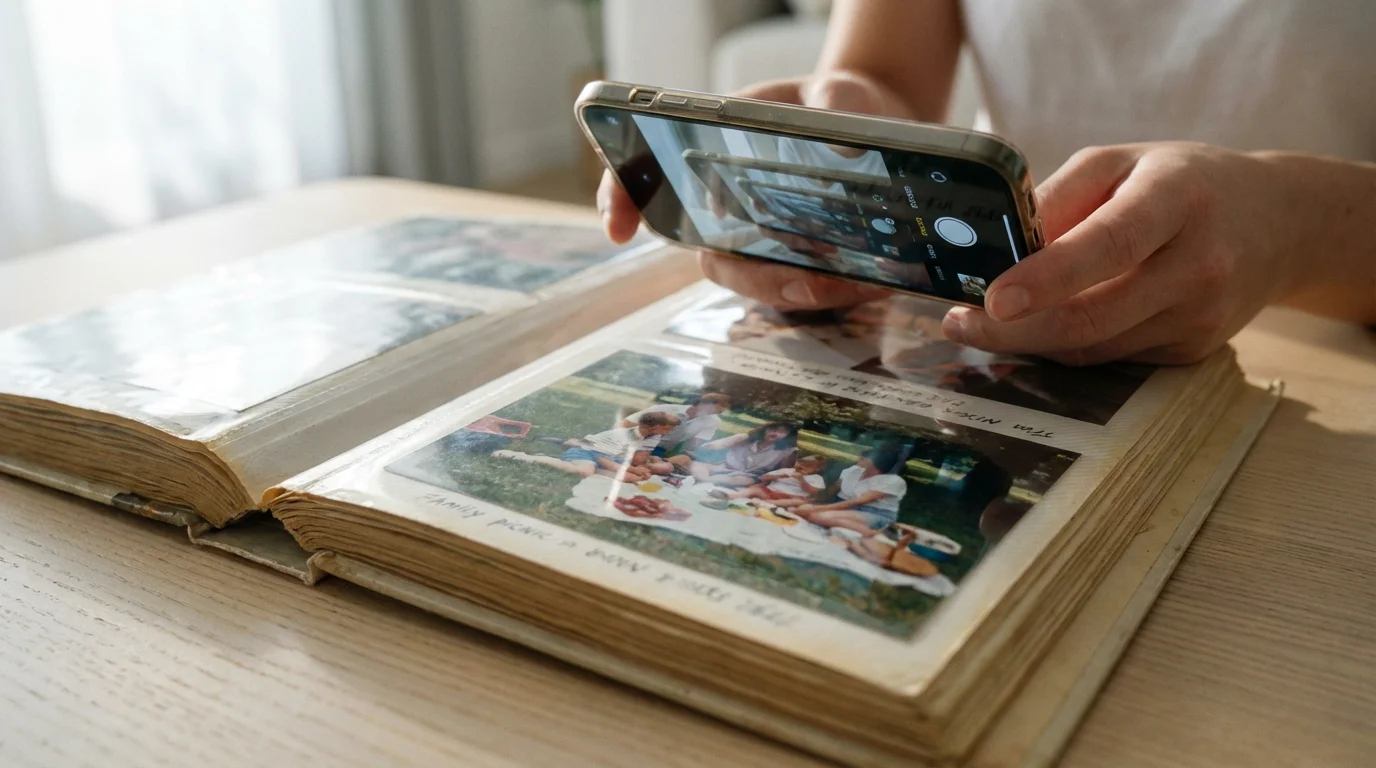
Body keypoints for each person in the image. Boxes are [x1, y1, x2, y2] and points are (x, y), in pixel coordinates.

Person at [598, 1, 1376, 365]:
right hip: (994, 342)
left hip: (1331, 369)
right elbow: (880, 74)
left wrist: (1293, 229)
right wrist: (847, 136)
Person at [493, 411, 679, 480]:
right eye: (666, 428)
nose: (668, 432)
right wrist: (632, 469)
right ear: (655, 427)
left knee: (624, 479)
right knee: (585, 472)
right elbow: (605, 460)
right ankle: (524, 457)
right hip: (589, 453)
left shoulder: (650, 438)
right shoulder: (622, 436)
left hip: (606, 459)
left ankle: (562, 454)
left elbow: (630, 459)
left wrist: (635, 470)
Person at [796, 446, 909, 535]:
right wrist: (813, 500)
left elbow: (858, 502)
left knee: (818, 516)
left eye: (863, 458)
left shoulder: (892, 481)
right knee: (804, 508)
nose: (858, 459)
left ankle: (874, 534)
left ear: (874, 462)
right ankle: (842, 527)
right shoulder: (853, 470)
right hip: (846, 507)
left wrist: (818, 508)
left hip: (873, 513)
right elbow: (834, 488)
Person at [621, 393, 732, 473]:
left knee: (681, 461)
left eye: (719, 412)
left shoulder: (712, 421)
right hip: (638, 443)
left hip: (660, 450)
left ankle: (651, 464)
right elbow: (627, 423)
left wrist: (685, 457)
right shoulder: (666, 409)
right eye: (716, 410)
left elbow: (692, 447)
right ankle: (639, 464)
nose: (715, 414)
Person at [689, 422, 799, 487]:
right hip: (724, 467)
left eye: (782, 432)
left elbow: (782, 473)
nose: (775, 433)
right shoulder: (744, 439)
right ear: (765, 429)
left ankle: (703, 482)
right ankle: (704, 481)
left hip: (748, 475)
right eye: (773, 429)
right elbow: (711, 446)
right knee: (696, 465)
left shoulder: (787, 452)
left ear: (788, 436)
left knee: (728, 479)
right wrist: (733, 440)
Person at [719, 454, 829, 507]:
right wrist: (779, 476)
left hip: (791, 496)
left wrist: (802, 480)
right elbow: (763, 478)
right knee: (754, 489)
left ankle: (766, 504)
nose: (803, 465)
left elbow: (812, 492)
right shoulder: (786, 470)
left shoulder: (816, 478)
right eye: (801, 462)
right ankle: (731, 496)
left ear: (817, 469)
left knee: (800, 502)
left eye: (809, 465)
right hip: (769, 491)